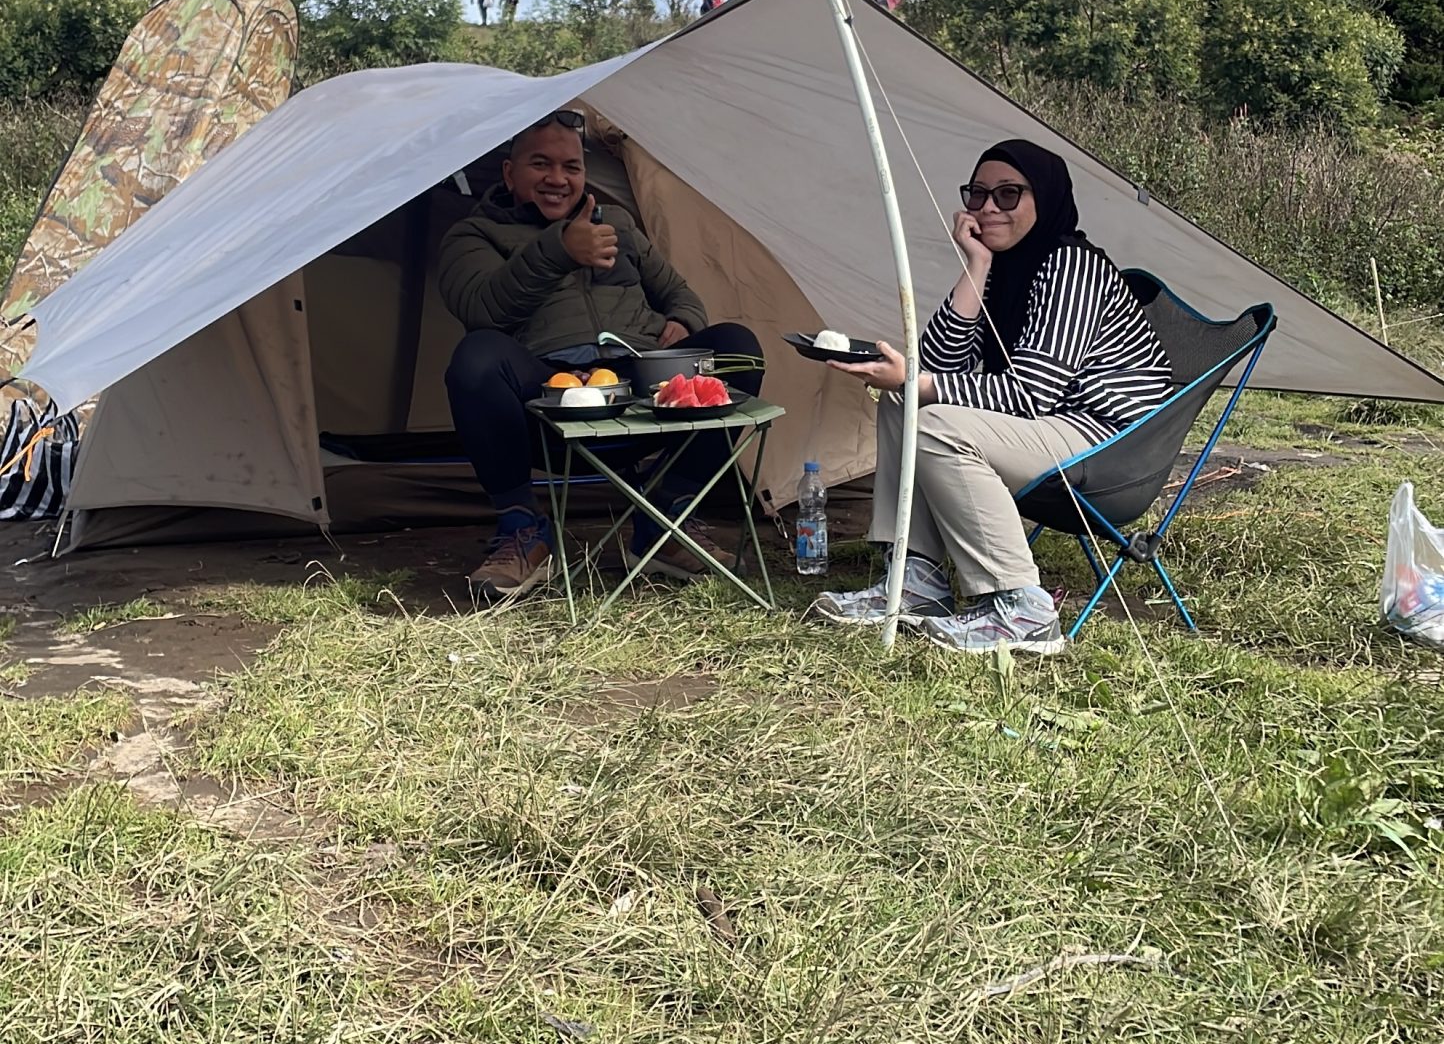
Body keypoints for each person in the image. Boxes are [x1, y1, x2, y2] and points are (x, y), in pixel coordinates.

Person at [813, 138, 1173, 654]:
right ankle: (915, 582)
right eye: (977, 194)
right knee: (903, 401)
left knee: (934, 421)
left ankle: (1024, 608)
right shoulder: (1010, 269)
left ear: (1042, 198)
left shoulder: (1072, 265)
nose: (987, 208)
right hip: (1055, 425)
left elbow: (1030, 393)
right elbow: (936, 360)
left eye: (1008, 194)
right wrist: (977, 265)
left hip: (1110, 445)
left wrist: (917, 383)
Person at [440, 112, 762, 597]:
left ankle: (665, 518)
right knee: (476, 357)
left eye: (571, 167)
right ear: (509, 173)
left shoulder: (617, 225)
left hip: (639, 392)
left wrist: (684, 325)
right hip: (545, 403)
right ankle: (524, 533)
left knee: (738, 351)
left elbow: (682, 295)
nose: (557, 179)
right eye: (540, 164)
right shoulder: (473, 236)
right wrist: (559, 251)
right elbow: (483, 309)